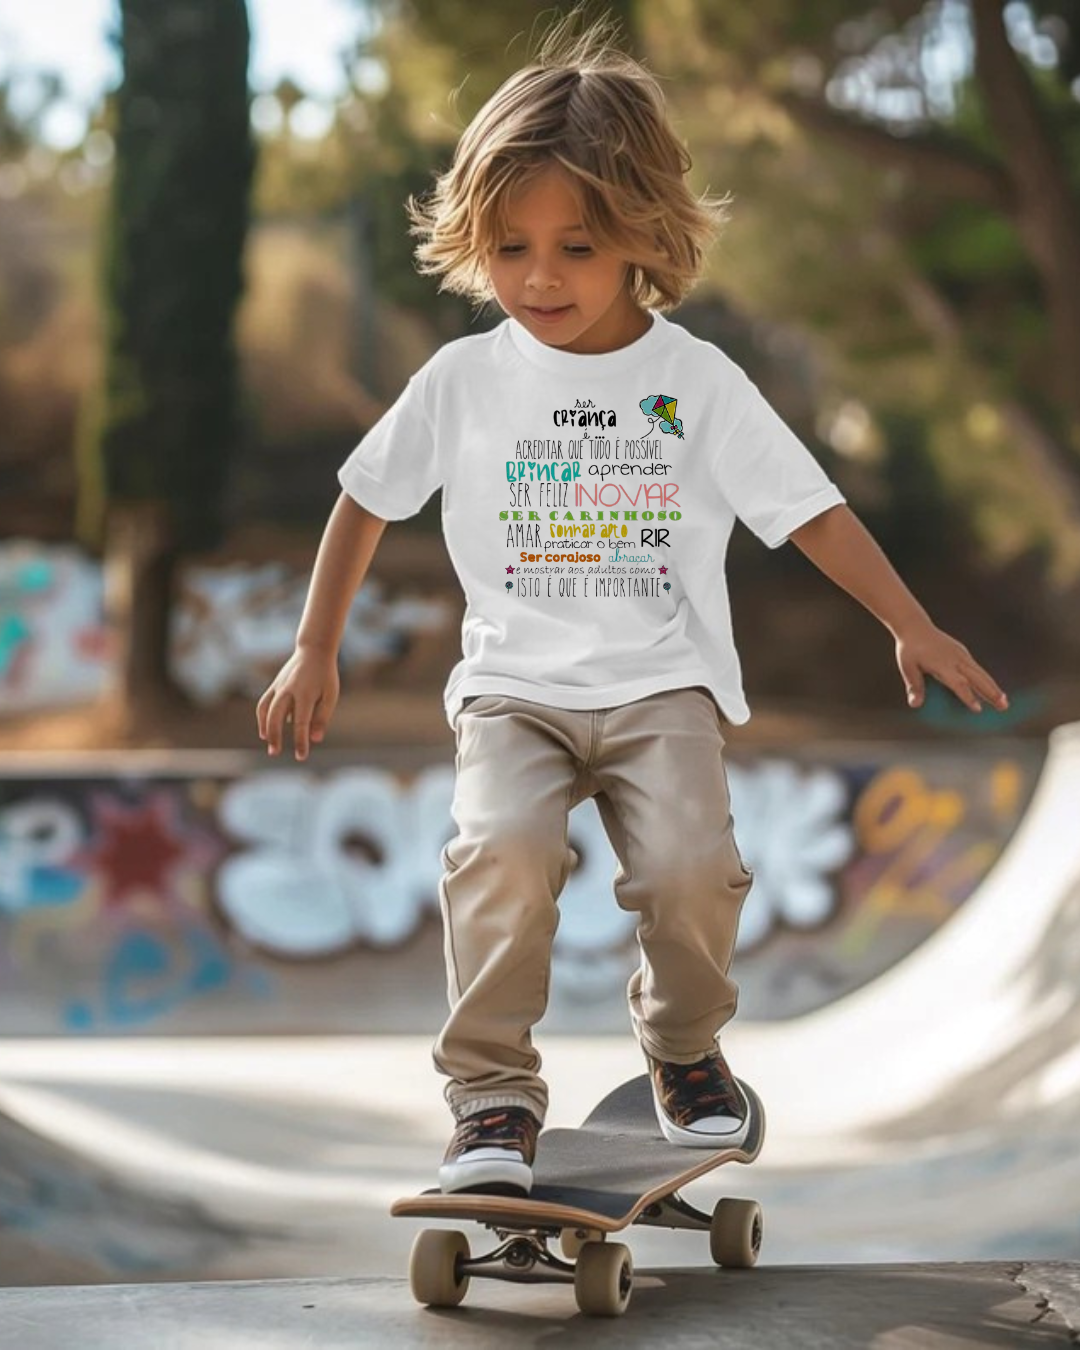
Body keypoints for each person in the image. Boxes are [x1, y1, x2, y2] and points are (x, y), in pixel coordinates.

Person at [257, 14, 1008, 1197]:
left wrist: (908, 620)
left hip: (664, 685)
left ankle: (684, 1046)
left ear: (643, 240)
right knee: (497, 852)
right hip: (514, 690)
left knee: (692, 871)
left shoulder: (694, 382)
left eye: (576, 248)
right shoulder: (463, 380)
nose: (539, 279)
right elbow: (364, 498)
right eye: (510, 249)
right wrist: (315, 646)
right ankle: (493, 1097)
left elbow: (808, 508)